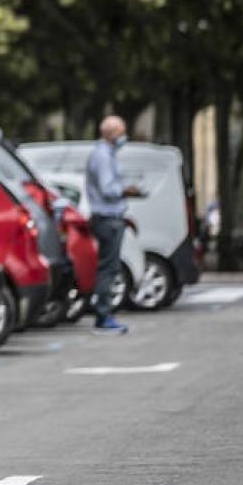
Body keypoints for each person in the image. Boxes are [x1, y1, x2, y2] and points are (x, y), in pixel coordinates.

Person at [85, 114, 144, 335]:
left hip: (108, 218)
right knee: (108, 269)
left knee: (109, 267)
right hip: (107, 218)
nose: (123, 137)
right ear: (111, 134)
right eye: (121, 133)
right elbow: (108, 189)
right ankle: (102, 316)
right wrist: (126, 190)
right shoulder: (102, 156)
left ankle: (104, 314)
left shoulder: (105, 154)